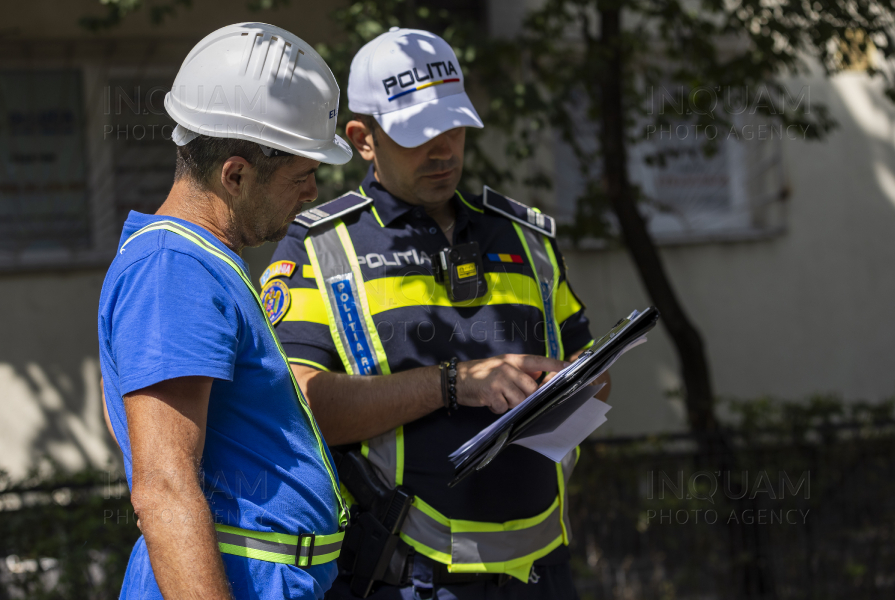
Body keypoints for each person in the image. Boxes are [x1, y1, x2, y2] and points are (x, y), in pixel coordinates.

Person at [265, 27, 609, 600]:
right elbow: (298, 410)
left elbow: (592, 376)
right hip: (410, 579)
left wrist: (572, 379)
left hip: (543, 570)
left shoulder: (527, 237)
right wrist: (453, 384)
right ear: (363, 138)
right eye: (418, 134)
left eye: (454, 127)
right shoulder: (319, 245)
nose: (444, 148)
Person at [98, 23, 354, 599]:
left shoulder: (197, 264)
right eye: (303, 175)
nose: (312, 193)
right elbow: (164, 489)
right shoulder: (175, 270)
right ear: (235, 174)